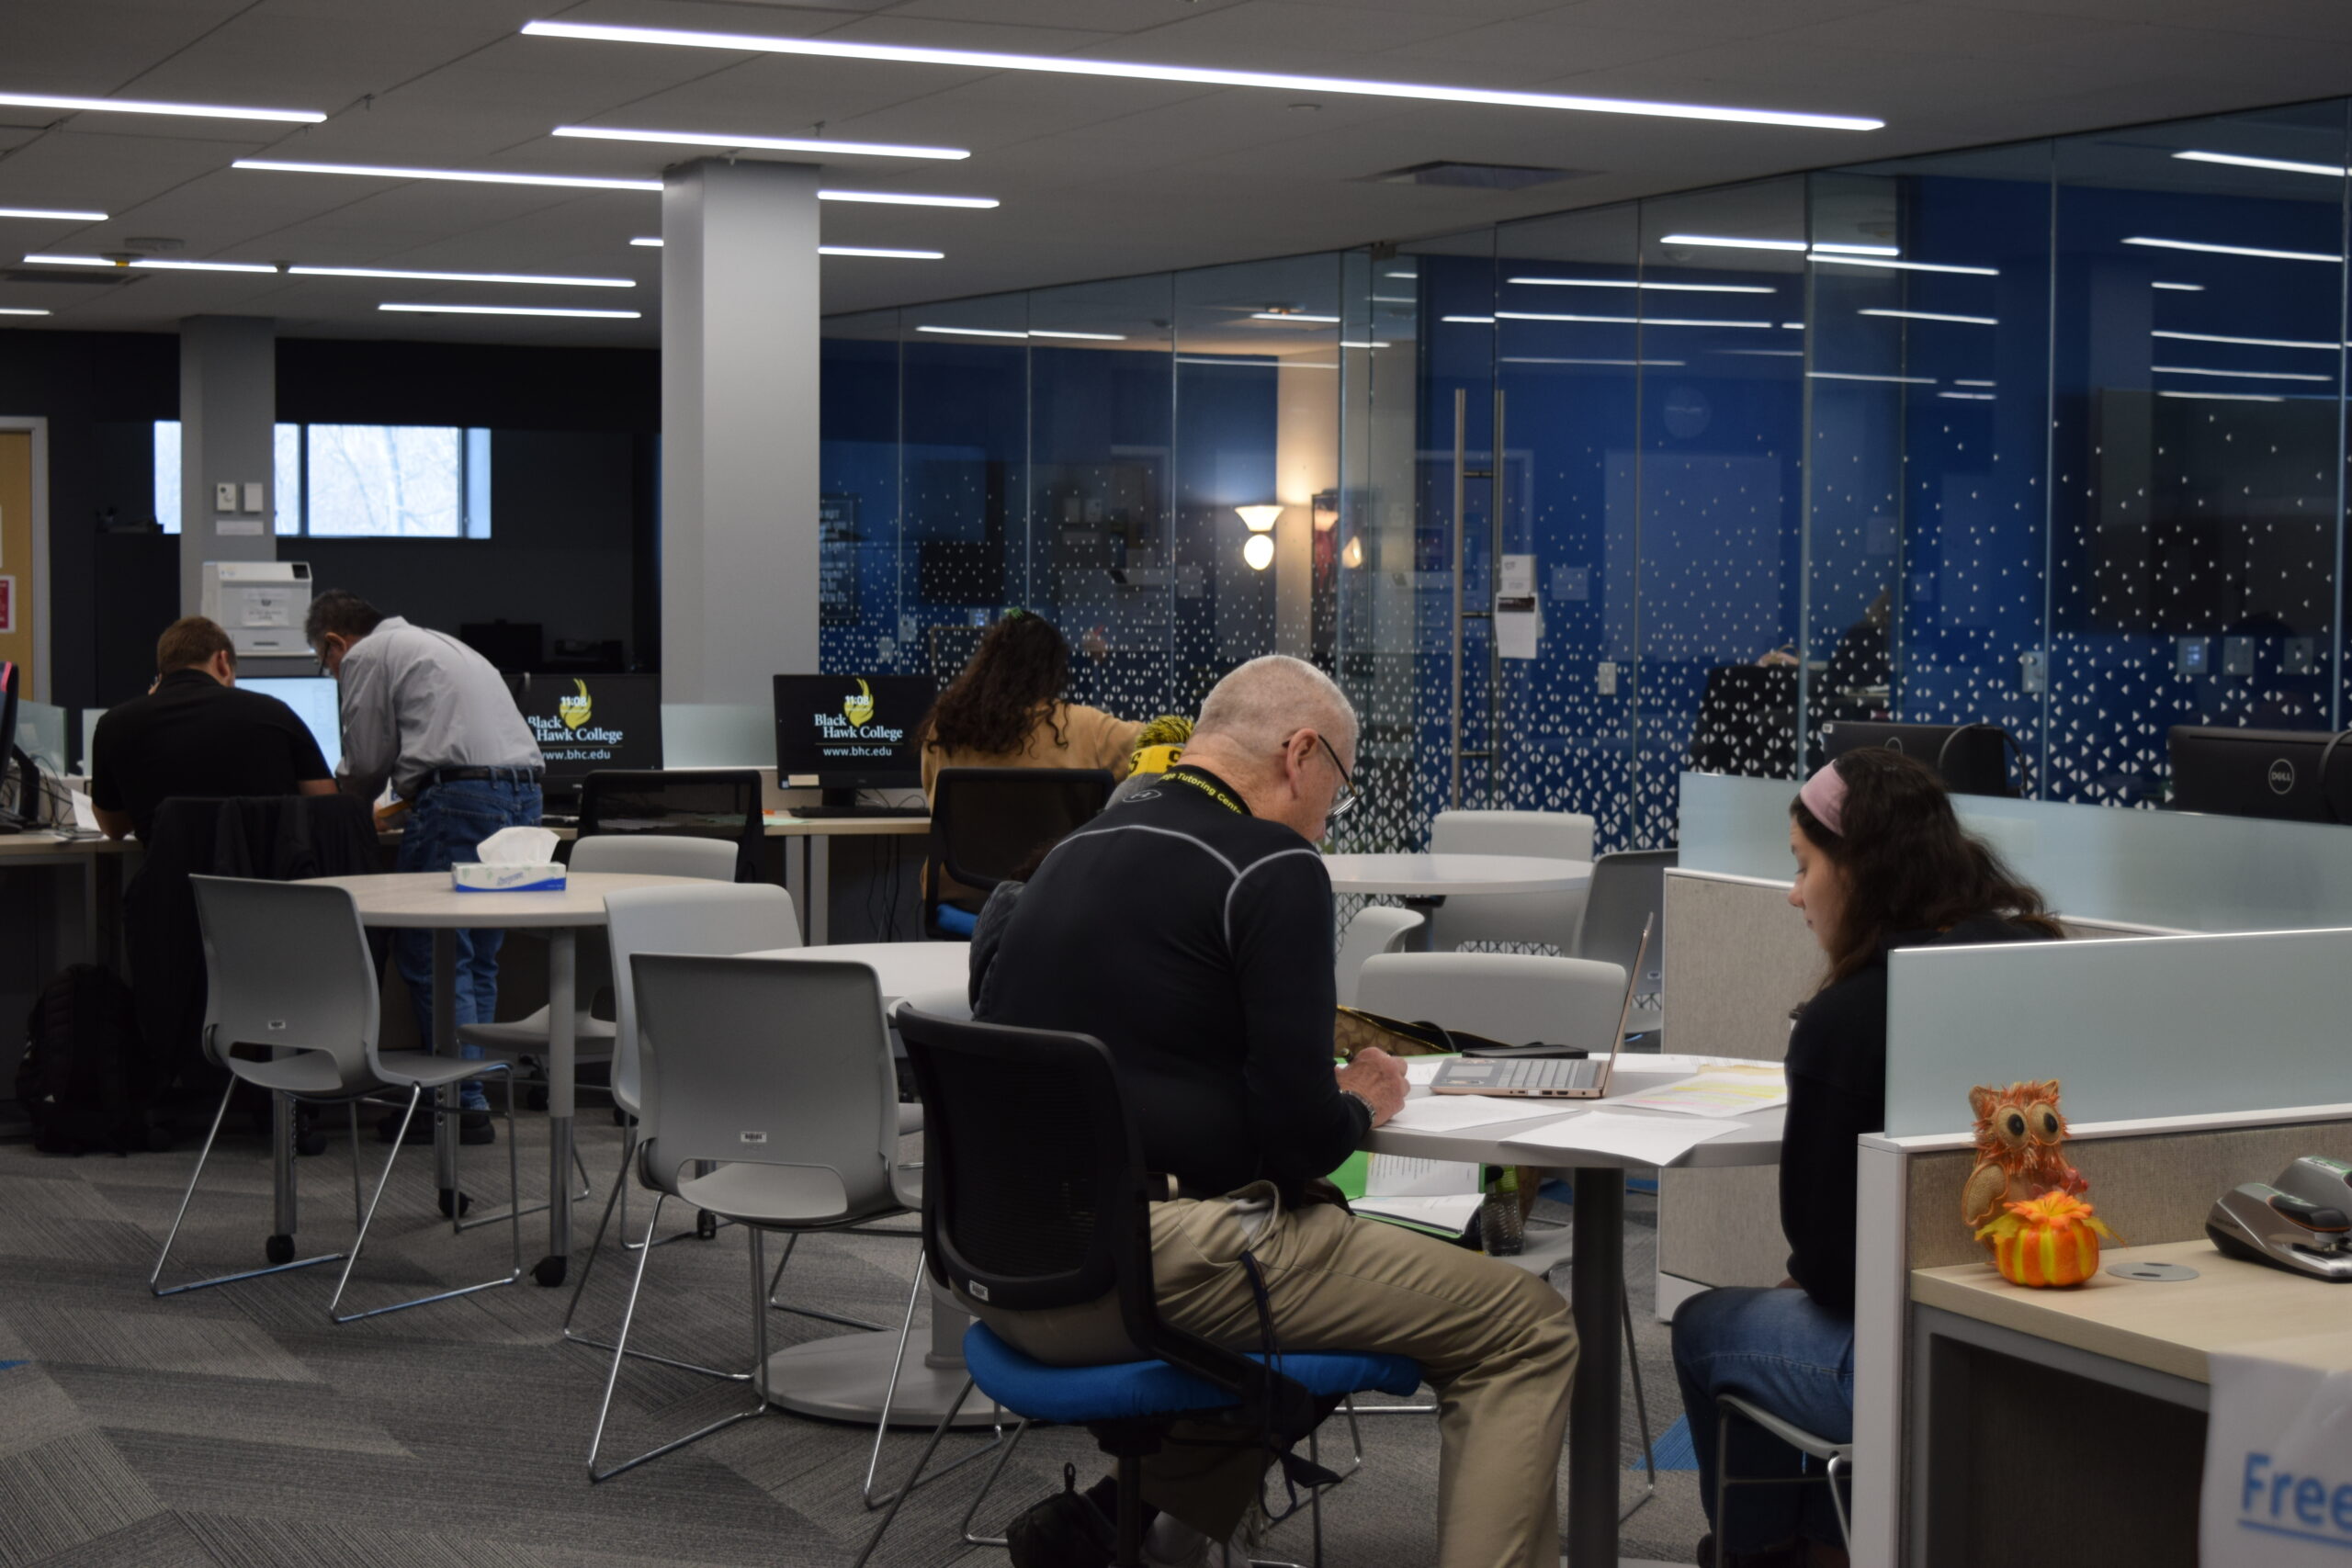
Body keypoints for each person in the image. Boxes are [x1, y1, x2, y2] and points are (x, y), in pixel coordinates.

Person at [971, 654, 1577, 1568]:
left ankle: (1128, 1534)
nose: (1330, 813)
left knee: (1344, 1278)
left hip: (1006, 1263)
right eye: (1337, 783)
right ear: (1301, 753)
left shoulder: (1074, 852)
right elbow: (1302, 1141)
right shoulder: (1273, 867)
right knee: (1523, 1324)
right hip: (1144, 1267)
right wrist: (1360, 1102)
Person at [1670, 748, 2063, 1568]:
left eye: (1803, 865)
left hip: (1906, 1349)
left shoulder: (1847, 1017)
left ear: (1858, 867)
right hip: (2031, 1320)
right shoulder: (2033, 956)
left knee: (1706, 1326)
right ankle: (1823, 1545)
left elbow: (1829, 1267)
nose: (1793, 893)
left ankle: (1766, 1553)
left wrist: (1802, 1278)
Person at [306, 590, 544, 1145]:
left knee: (431, 950)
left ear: (336, 643)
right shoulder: (440, 644)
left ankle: (456, 1105)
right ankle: (473, 1094)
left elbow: (365, 763)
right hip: (523, 799)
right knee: (477, 951)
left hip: (461, 800)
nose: (333, 671)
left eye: (325, 661)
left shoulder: (368, 655)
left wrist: (346, 809)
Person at [919, 610, 1148, 925]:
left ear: (988, 663)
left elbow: (934, 799)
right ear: (1053, 670)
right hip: (1055, 898)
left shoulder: (946, 729)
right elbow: (1165, 746)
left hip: (965, 899)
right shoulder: (1087, 728)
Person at [89, 615, 337, 842]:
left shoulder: (116, 724)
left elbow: (113, 828)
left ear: (162, 674)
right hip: (271, 887)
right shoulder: (277, 714)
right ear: (223, 662)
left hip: (173, 888)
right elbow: (327, 807)